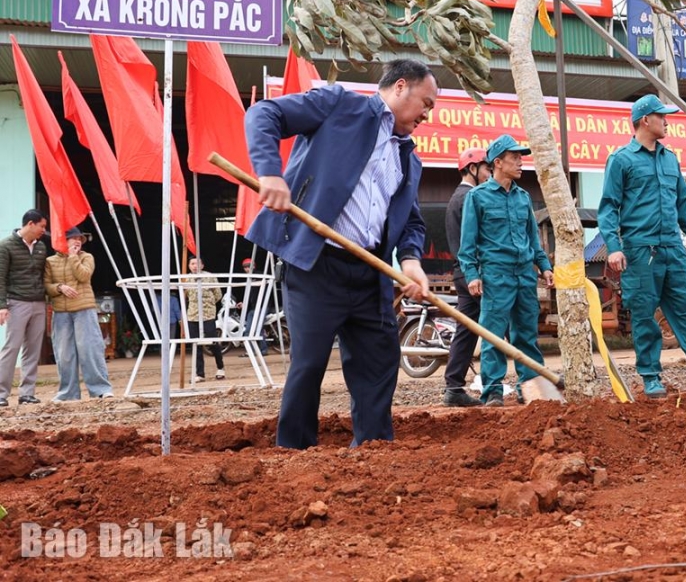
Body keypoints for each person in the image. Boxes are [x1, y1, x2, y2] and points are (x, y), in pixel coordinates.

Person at [246, 58, 436, 449]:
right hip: (318, 265)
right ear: (401, 86)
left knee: (379, 362)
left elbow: (411, 221)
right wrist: (270, 172)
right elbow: (263, 114)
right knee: (309, 363)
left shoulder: (408, 158)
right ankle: (294, 451)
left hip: (370, 273)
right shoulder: (339, 106)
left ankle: (374, 448)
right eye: (426, 103)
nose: (426, 115)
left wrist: (411, 261)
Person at [598, 95, 686, 399]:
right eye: (662, 116)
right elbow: (608, 208)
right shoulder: (621, 160)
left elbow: (684, 204)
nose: (667, 121)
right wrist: (614, 246)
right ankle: (650, 377)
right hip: (640, 251)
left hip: (672, 248)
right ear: (645, 120)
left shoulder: (670, 159)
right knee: (644, 314)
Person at [458, 135, 554, 406]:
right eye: (515, 158)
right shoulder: (477, 197)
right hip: (496, 275)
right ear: (498, 162)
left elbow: (533, 239)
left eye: (521, 157)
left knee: (527, 335)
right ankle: (493, 393)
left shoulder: (523, 198)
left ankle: (531, 390)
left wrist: (544, 266)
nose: (521, 162)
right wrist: (472, 274)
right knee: (493, 335)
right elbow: (467, 244)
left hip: (525, 275)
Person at [442, 147, 491, 407]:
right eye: (486, 169)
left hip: (462, 273)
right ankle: (511, 384)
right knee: (501, 323)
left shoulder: (456, 198)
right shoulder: (470, 197)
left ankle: (454, 387)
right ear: (472, 169)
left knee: (466, 331)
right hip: (474, 273)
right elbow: (476, 240)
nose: (489, 174)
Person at [44, 227, 113, 400]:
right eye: (72, 238)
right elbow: (46, 286)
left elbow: (84, 276)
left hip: (84, 309)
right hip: (61, 312)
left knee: (90, 349)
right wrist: (59, 287)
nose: (77, 241)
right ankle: (68, 393)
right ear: (63, 241)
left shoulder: (86, 257)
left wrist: (73, 256)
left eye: (79, 238)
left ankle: (100, 390)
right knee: (64, 354)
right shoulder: (50, 261)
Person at [0, 210, 49, 407]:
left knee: (33, 350)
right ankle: (1, 394)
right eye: (42, 226)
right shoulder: (6, 246)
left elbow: (43, 276)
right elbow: (0, 278)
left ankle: (27, 394)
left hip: (38, 303)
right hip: (16, 303)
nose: (43, 231)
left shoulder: (41, 247)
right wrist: (2, 306)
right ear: (30, 224)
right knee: (11, 348)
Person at [183, 257, 225, 382]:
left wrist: (208, 304)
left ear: (202, 265)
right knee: (195, 344)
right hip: (192, 315)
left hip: (207, 314)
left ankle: (220, 367)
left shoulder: (210, 277)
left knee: (213, 341)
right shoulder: (185, 278)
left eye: (197, 263)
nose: (195, 266)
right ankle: (200, 373)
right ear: (189, 266)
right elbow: (185, 295)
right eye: (192, 263)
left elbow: (218, 294)